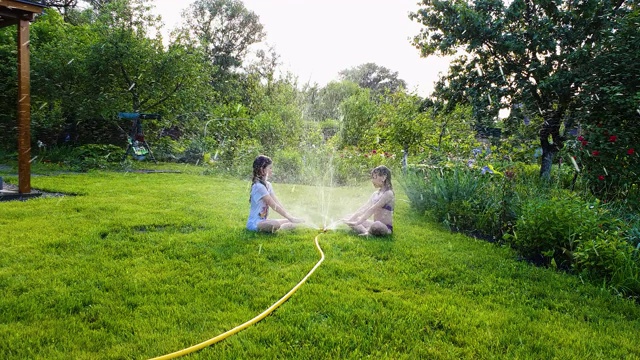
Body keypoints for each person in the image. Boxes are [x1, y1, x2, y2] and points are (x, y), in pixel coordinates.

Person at [247, 155, 304, 232]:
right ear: (262, 169)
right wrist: (291, 218)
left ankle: (278, 228)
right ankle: (278, 229)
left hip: (264, 221)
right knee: (275, 224)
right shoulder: (258, 186)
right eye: (270, 168)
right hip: (255, 224)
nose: (271, 170)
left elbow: (277, 203)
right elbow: (274, 206)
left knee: (291, 223)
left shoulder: (268, 185)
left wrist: (290, 217)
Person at [344, 165, 395, 236]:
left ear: (383, 177)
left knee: (377, 225)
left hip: (385, 227)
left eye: (374, 178)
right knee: (349, 216)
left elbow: (373, 209)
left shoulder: (388, 193)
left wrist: (358, 222)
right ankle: (366, 231)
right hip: (374, 224)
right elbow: (364, 208)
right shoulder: (375, 194)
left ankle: (367, 231)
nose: (372, 180)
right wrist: (351, 219)